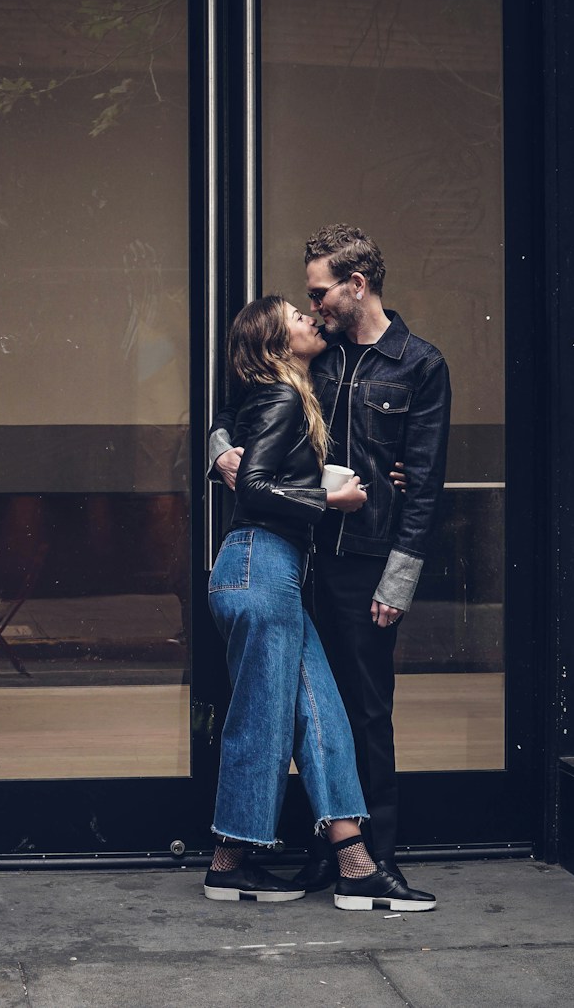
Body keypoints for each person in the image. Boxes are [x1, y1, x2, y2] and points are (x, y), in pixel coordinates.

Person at [210, 225, 451, 901]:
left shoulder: (418, 364)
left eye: (319, 295)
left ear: (357, 285)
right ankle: (332, 854)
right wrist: (219, 449)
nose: (313, 309)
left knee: (362, 710)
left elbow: (425, 485)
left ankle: (373, 854)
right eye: (306, 303)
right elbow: (242, 408)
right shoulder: (317, 358)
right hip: (294, 557)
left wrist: (399, 578)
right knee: (306, 705)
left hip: (364, 562)